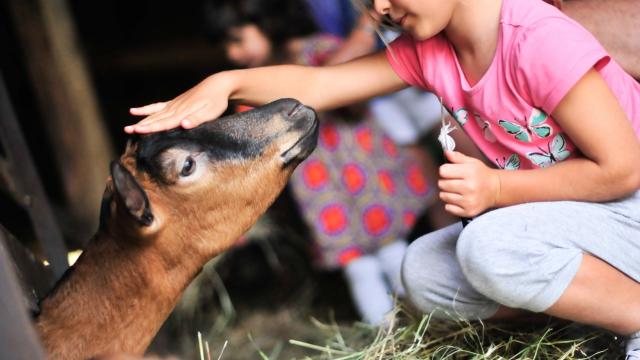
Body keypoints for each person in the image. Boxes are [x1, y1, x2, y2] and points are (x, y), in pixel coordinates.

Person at [125, 0, 640, 357]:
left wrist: (499, 189)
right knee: (423, 272)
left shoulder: (534, 38)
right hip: (575, 221)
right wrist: (226, 81)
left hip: (628, 206)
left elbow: (622, 168)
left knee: (489, 247)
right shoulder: (437, 51)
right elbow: (320, 83)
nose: (381, 10)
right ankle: (593, 311)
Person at [199, 0, 435, 325]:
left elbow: (343, 82)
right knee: (358, 268)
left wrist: (364, 31)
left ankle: (427, 324)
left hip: (367, 179)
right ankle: (388, 338)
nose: (232, 55)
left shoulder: (318, 50)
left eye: (237, 40)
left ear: (267, 23)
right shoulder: (256, 88)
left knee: (396, 254)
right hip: (325, 197)